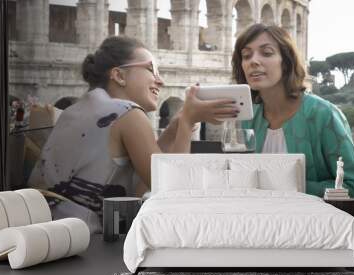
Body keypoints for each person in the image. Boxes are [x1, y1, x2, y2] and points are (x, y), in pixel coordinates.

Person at [39, 36, 238, 231]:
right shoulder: (127, 112)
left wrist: (172, 131)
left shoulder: (76, 110)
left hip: (53, 232)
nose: (160, 81)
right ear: (119, 76)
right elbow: (174, 193)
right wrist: (187, 123)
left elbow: (136, 188)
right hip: (92, 245)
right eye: (151, 69)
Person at [232, 23, 354, 227]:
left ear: (286, 62)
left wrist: (289, 187)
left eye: (266, 53)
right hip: (258, 228)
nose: (253, 61)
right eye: (246, 55)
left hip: (316, 233)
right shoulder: (247, 119)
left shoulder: (323, 115)